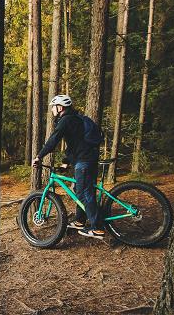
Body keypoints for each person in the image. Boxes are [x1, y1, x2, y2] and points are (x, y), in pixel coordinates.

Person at [32, 94, 105, 239]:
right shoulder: (74, 119)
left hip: (84, 160)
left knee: (84, 192)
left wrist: (39, 156)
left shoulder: (66, 120)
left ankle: (96, 227)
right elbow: (75, 144)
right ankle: (80, 221)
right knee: (79, 188)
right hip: (86, 158)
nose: (52, 109)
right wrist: (66, 162)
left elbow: (53, 140)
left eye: (53, 107)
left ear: (60, 107)